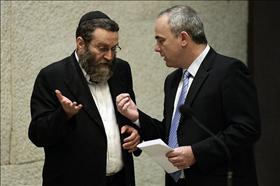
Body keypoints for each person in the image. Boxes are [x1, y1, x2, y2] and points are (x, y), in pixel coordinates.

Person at [116, 5, 261, 186]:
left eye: (161, 41)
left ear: (183, 38)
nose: (156, 48)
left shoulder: (228, 71)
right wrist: (138, 117)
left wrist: (196, 153)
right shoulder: (172, 80)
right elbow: (172, 134)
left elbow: (246, 129)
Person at [28, 11, 141, 186]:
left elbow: (129, 114)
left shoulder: (121, 70)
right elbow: (38, 135)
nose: (110, 56)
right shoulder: (52, 76)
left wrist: (135, 133)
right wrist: (64, 115)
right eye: (102, 48)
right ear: (81, 44)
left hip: (120, 180)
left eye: (114, 48)